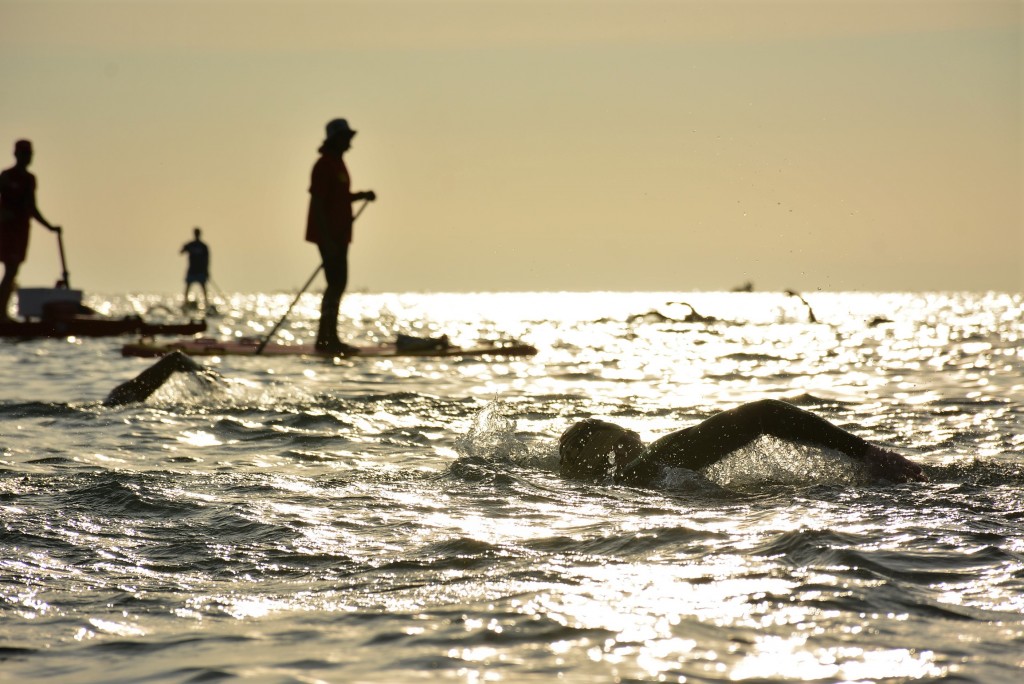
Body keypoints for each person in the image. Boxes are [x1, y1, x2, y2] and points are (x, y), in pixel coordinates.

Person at [559, 399, 927, 486]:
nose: (624, 448)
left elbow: (762, 413)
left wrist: (867, 453)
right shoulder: (641, 472)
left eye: (624, 441)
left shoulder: (652, 462)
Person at [306, 118, 376, 355]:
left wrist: (362, 195)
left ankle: (328, 337)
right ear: (336, 139)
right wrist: (326, 239)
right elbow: (317, 202)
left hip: (340, 235)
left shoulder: (338, 164)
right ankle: (326, 340)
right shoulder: (324, 165)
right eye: (346, 138)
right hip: (329, 236)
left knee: (338, 284)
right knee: (335, 283)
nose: (349, 143)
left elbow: (340, 197)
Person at [0, 140, 61, 321]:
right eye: (24, 154)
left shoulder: (29, 179)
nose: (27, 158)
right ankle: (1, 314)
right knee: (10, 271)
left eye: (29, 154)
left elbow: (31, 207)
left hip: (21, 230)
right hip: (7, 230)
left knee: (12, 271)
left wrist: (49, 226)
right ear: (17, 155)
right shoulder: (6, 176)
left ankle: (2, 312)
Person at [104, 351, 220, 406]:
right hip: (123, 397)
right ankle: (216, 383)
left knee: (176, 358)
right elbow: (176, 357)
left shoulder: (117, 398)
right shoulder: (125, 396)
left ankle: (214, 381)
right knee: (176, 358)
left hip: (119, 398)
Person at [180, 227, 210, 309]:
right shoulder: (190, 245)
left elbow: (207, 259)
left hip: (200, 270)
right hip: (192, 270)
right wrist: (185, 247)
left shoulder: (203, 246)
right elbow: (181, 251)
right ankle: (185, 302)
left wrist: (207, 271)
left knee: (203, 287)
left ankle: (206, 303)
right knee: (188, 286)